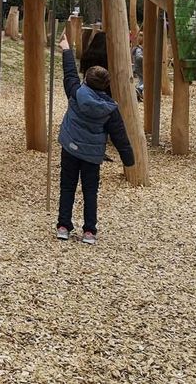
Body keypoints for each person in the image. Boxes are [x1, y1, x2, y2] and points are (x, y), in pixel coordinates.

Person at [56, 32, 135, 245]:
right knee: (90, 191)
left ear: (86, 80)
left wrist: (66, 49)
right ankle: (89, 231)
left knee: (67, 186)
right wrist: (129, 160)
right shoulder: (109, 109)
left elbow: (70, 73)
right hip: (91, 155)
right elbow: (119, 135)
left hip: (71, 148)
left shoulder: (75, 92)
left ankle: (63, 226)